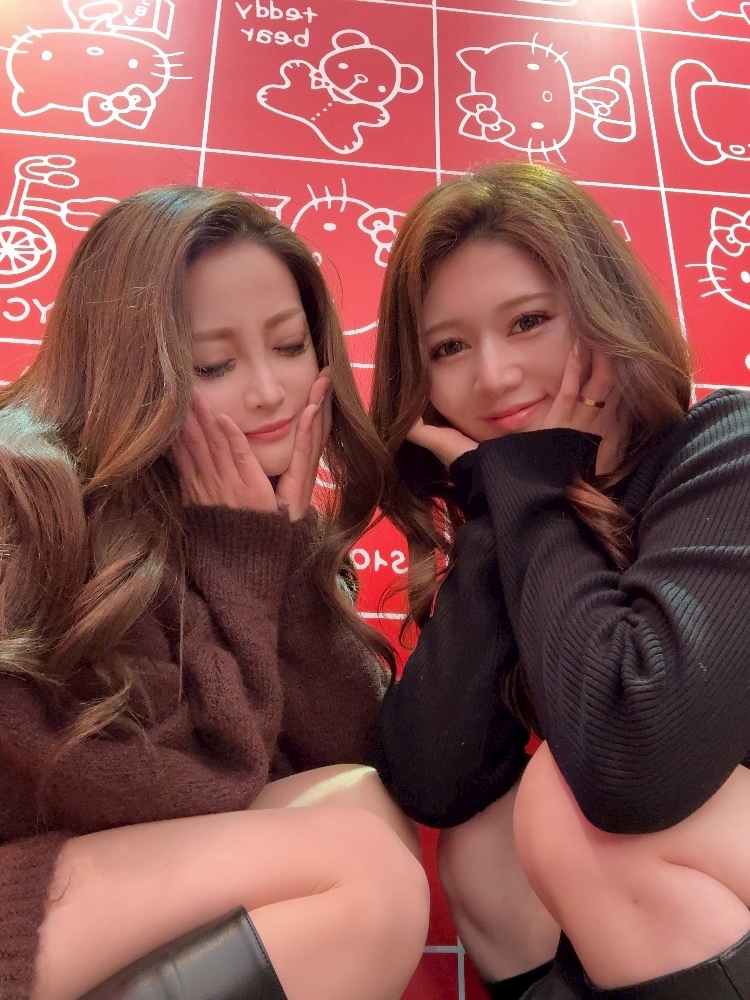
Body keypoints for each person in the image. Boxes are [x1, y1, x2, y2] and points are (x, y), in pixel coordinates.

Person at [0, 186, 430, 1000]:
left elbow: (348, 748)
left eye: (290, 345)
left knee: (364, 807)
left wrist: (283, 555)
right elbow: (184, 791)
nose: (268, 391)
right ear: (128, 367)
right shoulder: (34, 499)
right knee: (365, 876)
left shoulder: (246, 514)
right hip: (23, 895)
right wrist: (243, 558)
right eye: (213, 364)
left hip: (95, 891)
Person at [367, 162, 750, 1000]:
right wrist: (501, 501)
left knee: (571, 813)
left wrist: (530, 493)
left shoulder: (729, 449)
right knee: (482, 849)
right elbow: (432, 777)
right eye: (448, 348)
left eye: (529, 321)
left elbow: (634, 757)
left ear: (602, 311)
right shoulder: (524, 509)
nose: (494, 375)